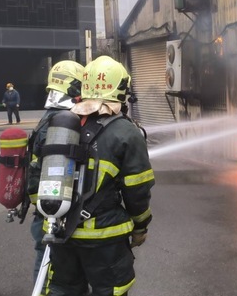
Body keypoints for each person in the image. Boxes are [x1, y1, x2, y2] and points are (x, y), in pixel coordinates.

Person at [44, 56, 154, 295]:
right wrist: (141, 226)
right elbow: (138, 188)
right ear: (120, 89)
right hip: (104, 238)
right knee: (110, 291)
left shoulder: (63, 124)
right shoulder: (126, 132)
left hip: (60, 229)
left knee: (65, 289)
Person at [25, 60, 84, 279]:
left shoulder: (48, 117)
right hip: (52, 209)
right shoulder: (63, 122)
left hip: (45, 206)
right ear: (74, 88)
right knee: (49, 273)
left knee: (51, 268)